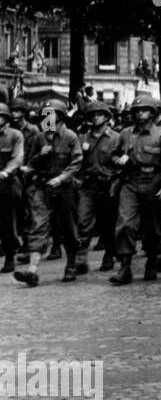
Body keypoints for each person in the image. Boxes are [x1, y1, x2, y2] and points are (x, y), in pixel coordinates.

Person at [107, 96, 161, 284]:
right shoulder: (125, 134)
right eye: (137, 110)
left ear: (153, 113)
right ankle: (125, 266)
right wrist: (118, 160)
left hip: (153, 182)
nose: (140, 113)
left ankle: (152, 260)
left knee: (152, 227)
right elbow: (112, 155)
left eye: (144, 110)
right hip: (130, 181)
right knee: (125, 223)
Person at [14, 98, 82, 287]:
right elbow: (30, 164)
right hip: (42, 188)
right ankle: (32, 271)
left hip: (64, 188)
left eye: (50, 115)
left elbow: (76, 162)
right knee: (39, 226)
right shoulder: (39, 138)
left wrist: (61, 178)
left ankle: (70, 265)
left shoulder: (71, 137)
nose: (47, 119)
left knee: (69, 227)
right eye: (45, 116)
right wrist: (39, 156)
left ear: (59, 117)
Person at [74, 100, 120, 276]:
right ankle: (81, 259)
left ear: (107, 117)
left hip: (108, 185)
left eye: (99, 114)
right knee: (83, 222)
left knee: (108, 224)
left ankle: (109, 254)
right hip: (88, 185)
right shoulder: (83, 138)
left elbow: (122, 161)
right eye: (92, 115)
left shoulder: (116, 138)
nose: (96, 118)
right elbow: (78, 162)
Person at [0, 102, 25, 274]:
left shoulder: (15, 135)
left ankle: (10, 256)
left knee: (7, 222)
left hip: (7, 182)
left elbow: (18, 158)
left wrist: (5, 172)